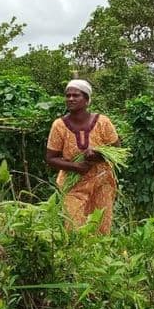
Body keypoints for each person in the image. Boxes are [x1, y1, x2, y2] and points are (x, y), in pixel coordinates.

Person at [46, 79, 120, 234]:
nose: (70, 99)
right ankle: (76, 255)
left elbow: (116, 150)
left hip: (102, 181)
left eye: (76, 95)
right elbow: (51, 158)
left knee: (101, 225)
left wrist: (97, 154)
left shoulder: (103, 122)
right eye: (68, 95)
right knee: (74, 225)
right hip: (73, 184)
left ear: (87, 100)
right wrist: (76, 167)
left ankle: (99, 256)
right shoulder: (59, 125)